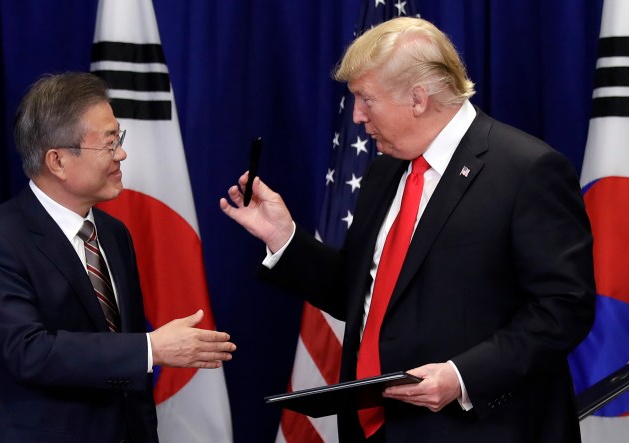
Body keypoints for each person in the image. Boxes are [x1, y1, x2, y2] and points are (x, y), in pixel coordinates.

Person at [221, 17, 594, 443]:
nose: (357, 116)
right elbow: (365, 294)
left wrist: (461, 376)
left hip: (481, 429)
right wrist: (283, 238)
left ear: (418, 99)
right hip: (378, 428)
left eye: (366, 99)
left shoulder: (527, 169)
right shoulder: (384, 171)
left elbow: (564, 308)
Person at [0, 72, 236, 443]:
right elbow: (28, 351)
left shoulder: (112, 233)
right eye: (109, 143)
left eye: (118, 139)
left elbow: (131, 379)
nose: (121, 153)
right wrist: (151, 348)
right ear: (57, 161)